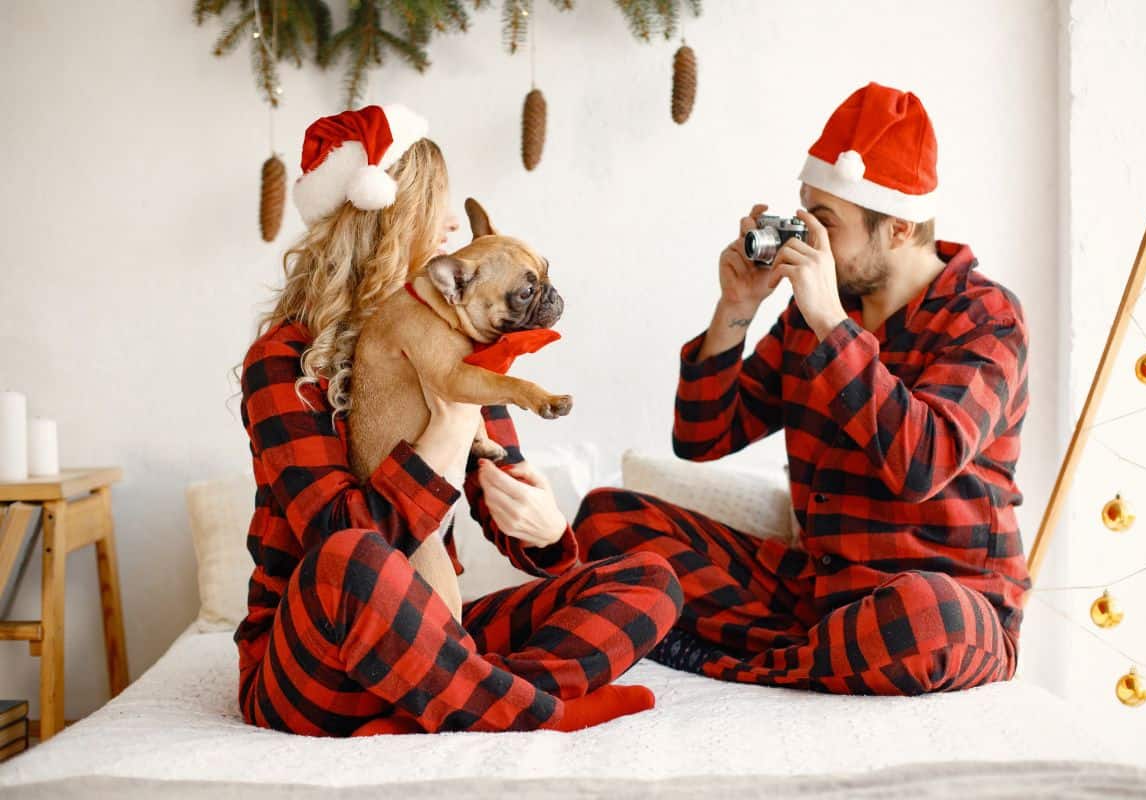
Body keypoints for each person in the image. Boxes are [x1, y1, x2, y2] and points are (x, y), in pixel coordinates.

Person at [234, 103, 682, 736]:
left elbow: (520, 535)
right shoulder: (283, 361)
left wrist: (548, 530)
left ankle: (446, 694)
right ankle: (530, 710)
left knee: (651, 578)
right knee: (350, 557)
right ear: (386, 222)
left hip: (429, 634)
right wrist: (447, 426)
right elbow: (342, 540)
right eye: (434, 209)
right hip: (316, 655)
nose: (451, 226)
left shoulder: (463, 333)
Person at [573, 82, 1032, 695]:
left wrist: (832, 326)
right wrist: (735, 308)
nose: (804, 238)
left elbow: (922, 464)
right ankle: (821, 655)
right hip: (818, 592)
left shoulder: (985, 316)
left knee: (927, 620)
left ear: (896, 228)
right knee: (606, 519)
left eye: (826, 222)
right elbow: (701, 439)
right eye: (803, 212)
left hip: (944, 596)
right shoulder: (813, 315)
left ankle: (735, 660)